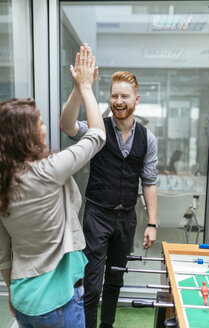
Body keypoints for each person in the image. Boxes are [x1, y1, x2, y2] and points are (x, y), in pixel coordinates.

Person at [0, 45, 105, 328]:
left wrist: (10, 292)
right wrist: (86, 87)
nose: (45, 127)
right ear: (28, 134)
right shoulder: (49, 170)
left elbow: (3, 250)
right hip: (56, 302)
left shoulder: (3, 179)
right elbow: (97, 136)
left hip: (23, 301)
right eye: (40, 123)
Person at [59, 54, 158, 328]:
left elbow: (149, 180)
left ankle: (107, 326)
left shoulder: (147, 138)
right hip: (97, 216)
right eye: (114, 96)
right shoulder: (96, 127)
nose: (119, 101)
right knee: (91, 283)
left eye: (125, 96)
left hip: (127, 219)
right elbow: (66, 126)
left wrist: (152, 222)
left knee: (115, 278)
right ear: (110, 98)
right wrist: (81, 87)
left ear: (136, 99)